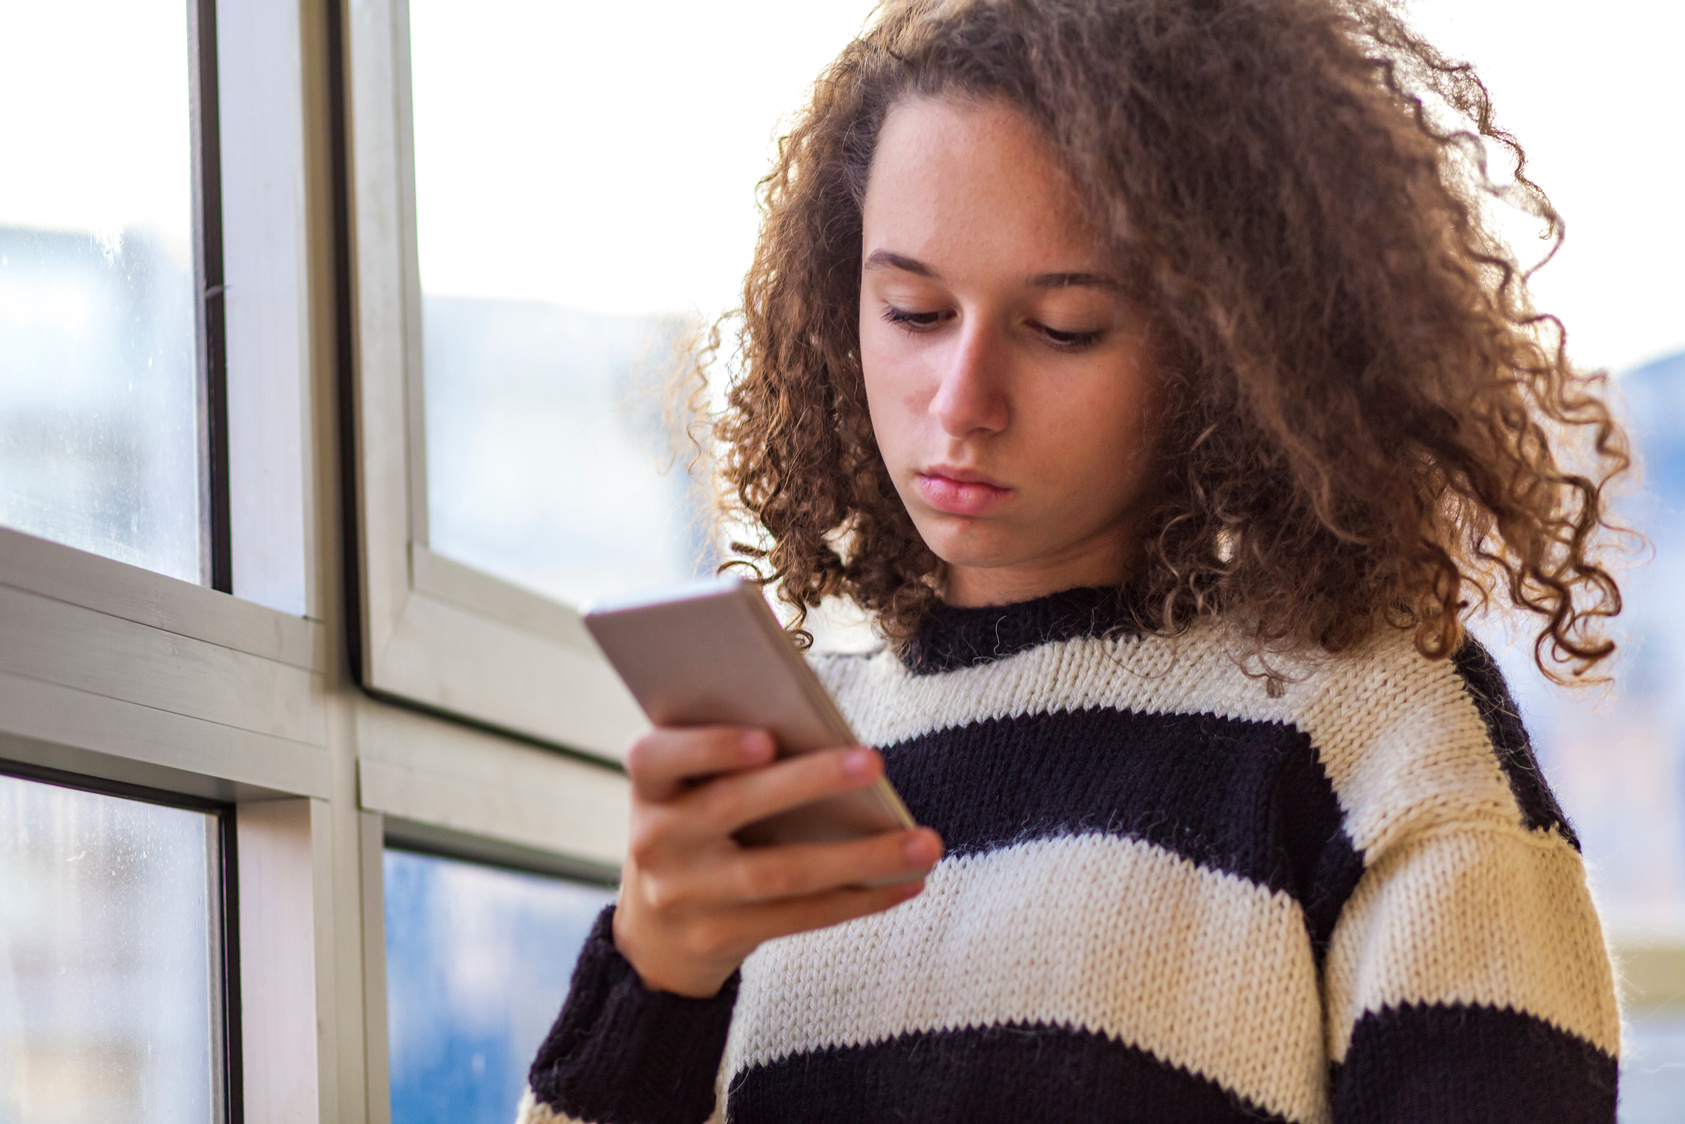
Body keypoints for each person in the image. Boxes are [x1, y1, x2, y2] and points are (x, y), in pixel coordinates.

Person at [519, 0, 1629, 1120]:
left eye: (1060, 328)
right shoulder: (811, 761)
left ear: (1227, 345)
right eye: (910, 310)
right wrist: (652, 978)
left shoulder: (1378, 737)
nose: (960, 403)